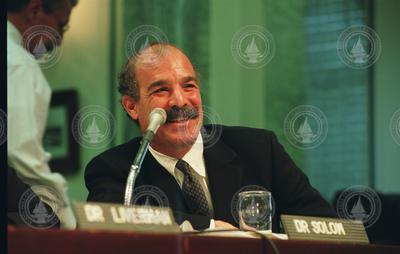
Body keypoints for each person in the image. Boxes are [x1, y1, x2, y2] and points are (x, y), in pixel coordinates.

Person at [85, 43, 336, 230]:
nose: (180, 100)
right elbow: (112, 224)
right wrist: (214, 230)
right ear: (131, 106)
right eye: (161, 90)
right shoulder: (115, 170)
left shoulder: (259, 150)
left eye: (189, 86)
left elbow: (326, 227)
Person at [7, 0, 78, 229]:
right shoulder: (19, 64)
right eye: (61, 25)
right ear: (34, 10)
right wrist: (67, 222)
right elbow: (21, 157)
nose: (59, 40)